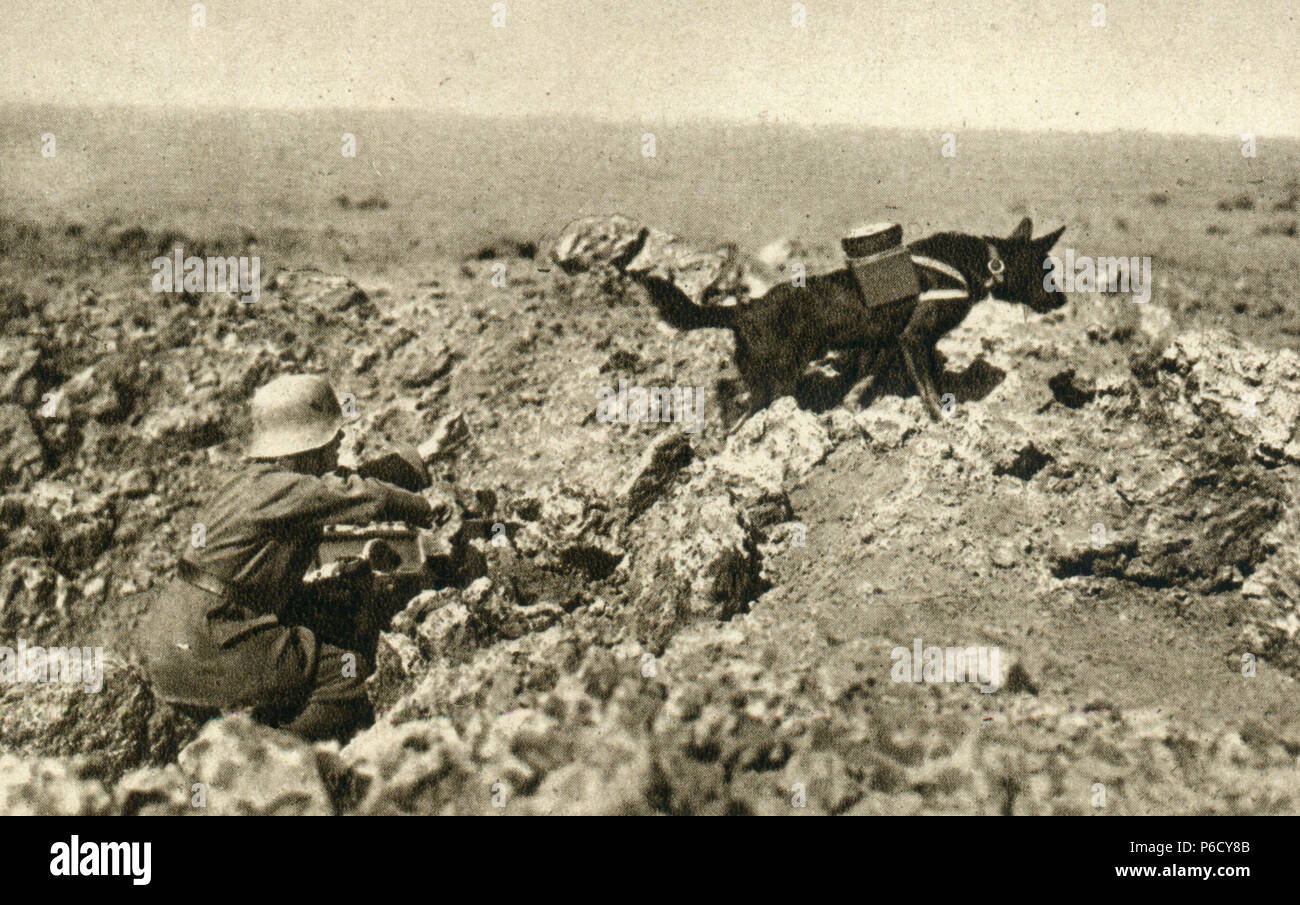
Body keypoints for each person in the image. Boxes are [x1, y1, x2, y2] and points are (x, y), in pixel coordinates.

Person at [138, 374, 434, 742]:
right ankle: (267, 764)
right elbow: (358, 494)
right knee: (346, 674)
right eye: (330, 435)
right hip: (213, 637)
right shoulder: (287, 489)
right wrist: (427, 509)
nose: (340, 440)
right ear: (305, 444)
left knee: (322, 617)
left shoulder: (258, 482)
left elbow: (342, 483)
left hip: (175, 636)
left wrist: (416, 461)